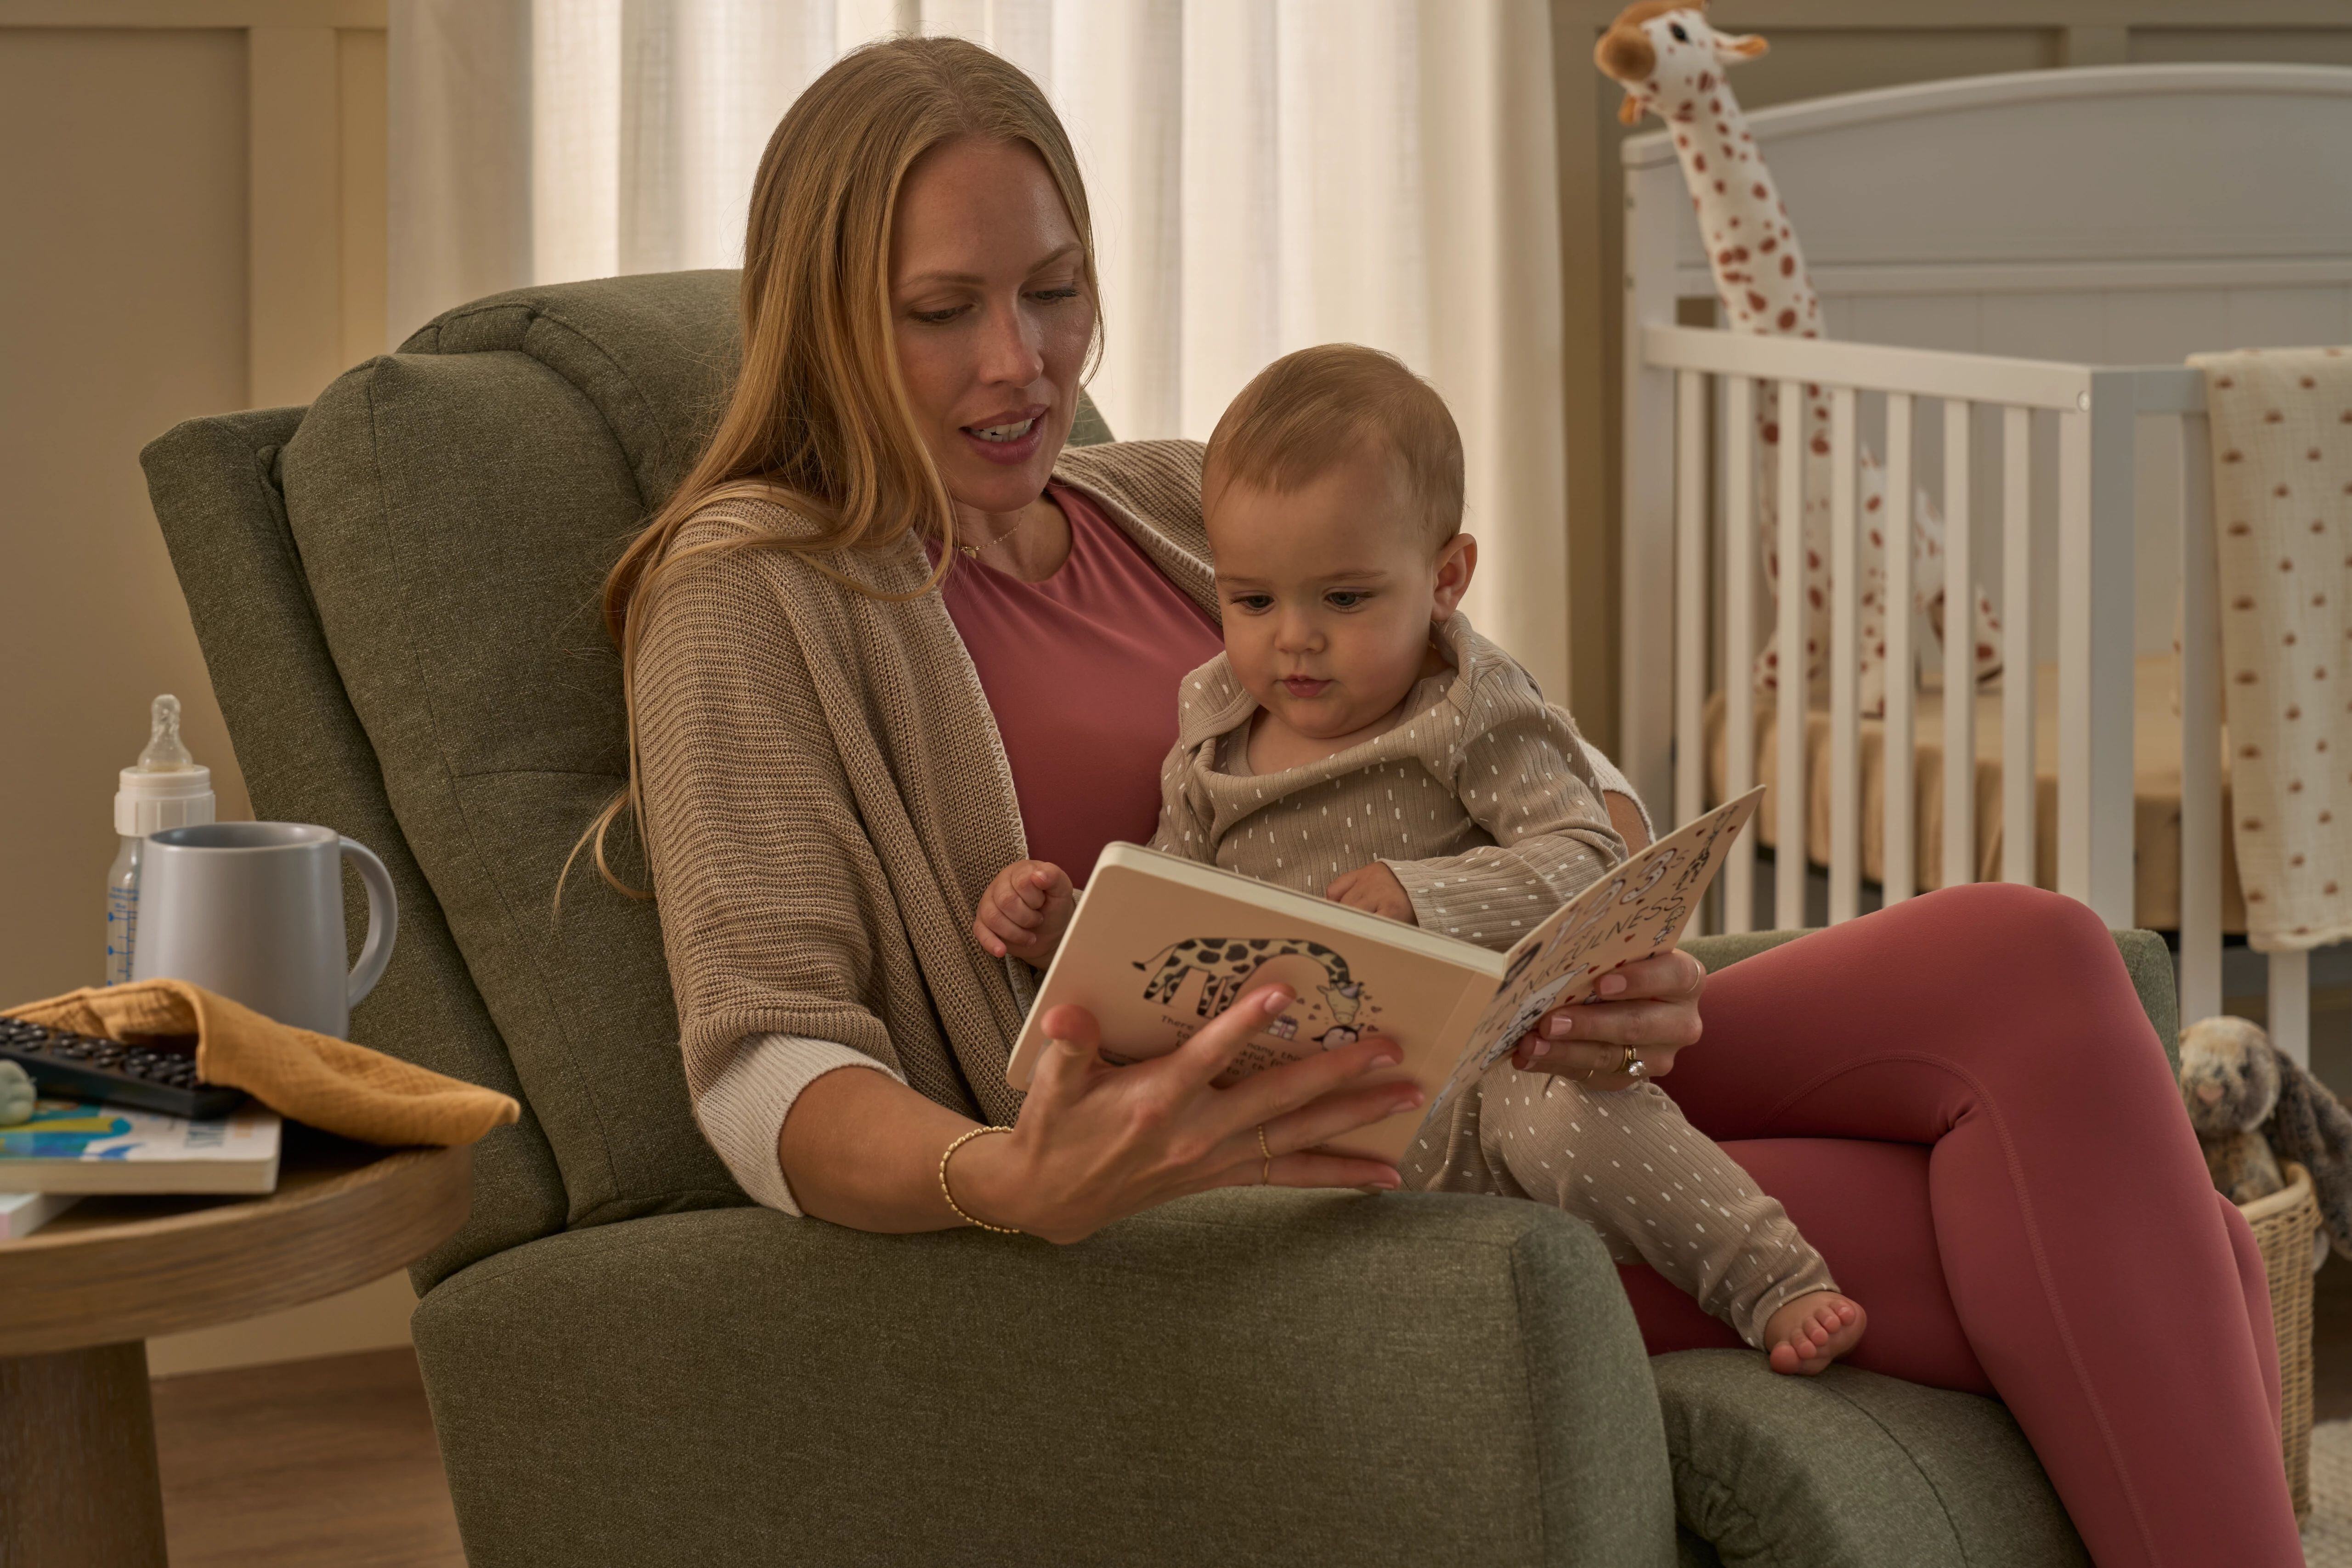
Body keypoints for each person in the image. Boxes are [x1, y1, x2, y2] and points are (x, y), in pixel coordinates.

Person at [585, 34, 2303, 1568]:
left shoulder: (1177, 499)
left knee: (2030, 950)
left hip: (1509, 1031)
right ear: (823, 315)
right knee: (2183, 1263)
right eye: (941, 309)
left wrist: (1628, 941)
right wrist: (1000, 1173)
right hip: (1295, 1165)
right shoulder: (756, 597)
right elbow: (764, 1056)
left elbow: (1540, 749)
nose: (1021, 362)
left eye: (1053, 289)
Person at [972, 344, 1866, 1375]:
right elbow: (1170, 920)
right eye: (1253, 601)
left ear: (1445, 579)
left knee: (1572, 1127)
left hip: (1492, 1081)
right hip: (1311, 1127)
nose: (1293, 642)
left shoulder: (1464, 706)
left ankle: (1770, 1280)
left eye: (1344, 601)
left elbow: (1582, 856)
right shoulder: (1211, 732)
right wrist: (1064, 926)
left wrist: (1421, 894)